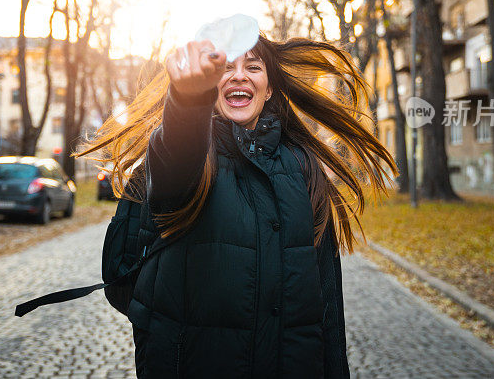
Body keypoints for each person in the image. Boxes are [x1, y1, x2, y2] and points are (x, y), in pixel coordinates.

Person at [78, 34, 396, 378]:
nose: (239, 75)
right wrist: (187, 102)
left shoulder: (303, 168)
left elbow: (328, 307)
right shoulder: (188, 158)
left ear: (269, 88)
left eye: (253, 67)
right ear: (210, 86)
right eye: (226, 67)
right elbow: (176, 156)